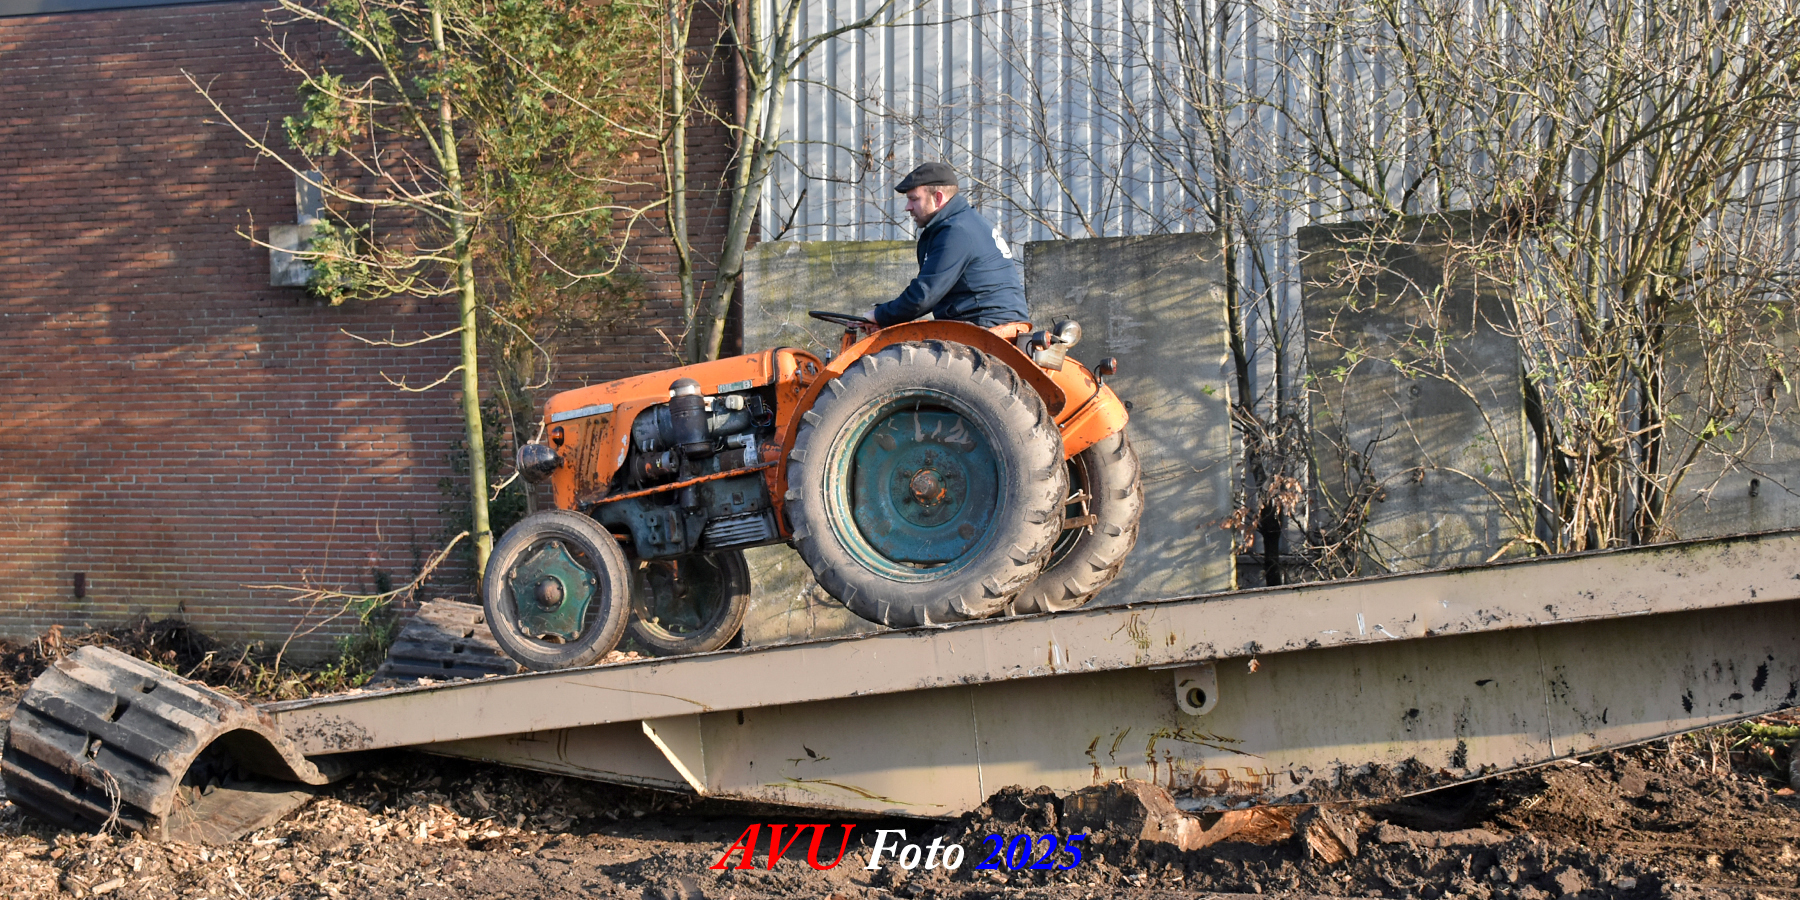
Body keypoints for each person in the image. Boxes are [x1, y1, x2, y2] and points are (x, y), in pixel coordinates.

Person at [865, 162, 1031, 339]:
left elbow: (924, 295)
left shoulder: (956, 231)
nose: (908, 207)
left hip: (986, 327)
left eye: (914, 199)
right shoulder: (967, 222)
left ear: (938, 198)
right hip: (996, 324)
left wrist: (879, 314)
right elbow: (930, 294)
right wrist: (886, 317)